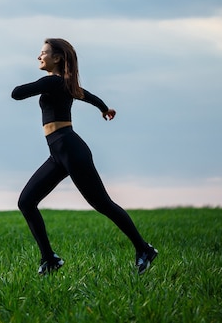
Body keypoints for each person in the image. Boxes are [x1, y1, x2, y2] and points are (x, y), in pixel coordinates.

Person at [11, 38, 158, 275]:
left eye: (43, 53)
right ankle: (49, 259)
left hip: (70, 149)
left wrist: (41, 84)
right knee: (26, 202)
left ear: (56, 58)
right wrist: (104, 109)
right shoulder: (65, 85)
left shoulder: (52, 82)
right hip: (58, 154)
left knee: (102, 203)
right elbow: (88, 96)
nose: (39, 57)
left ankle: (144, 249)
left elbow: (16, 93)